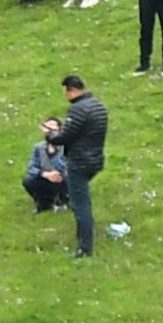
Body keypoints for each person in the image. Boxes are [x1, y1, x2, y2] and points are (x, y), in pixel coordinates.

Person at [56, 70, 109, 255]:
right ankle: (84, 235)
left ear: (71, 90)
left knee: (80, 205)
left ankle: (85, 247)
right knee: (82, 200)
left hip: (79, 162)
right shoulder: (98, 105)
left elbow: (65, 136)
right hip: (96, 158)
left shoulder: (78, 109)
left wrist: (50, 135)